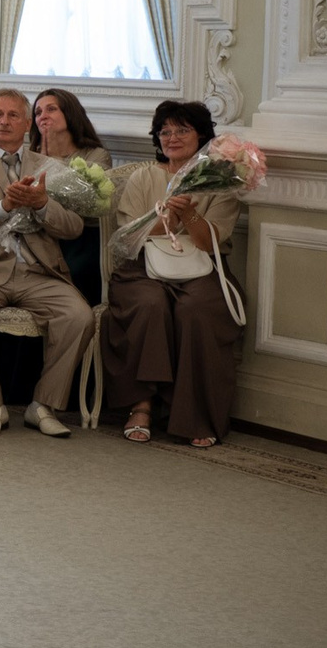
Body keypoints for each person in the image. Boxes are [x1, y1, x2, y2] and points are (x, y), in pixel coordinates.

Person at [0, 89, 92, 437]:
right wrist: (3, 208)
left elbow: (73, 227)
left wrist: (42, 205)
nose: (4, 121)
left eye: (13, 115)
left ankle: (43, 405)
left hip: (38, 271)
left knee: (80, 316)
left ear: (27, 125)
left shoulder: (50, 168)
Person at [103, 100, 242, 449]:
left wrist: (190, 217)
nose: (172, 137)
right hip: (143, 267)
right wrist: (168, 220)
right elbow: (130, 237)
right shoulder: (144, 177)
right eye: (165, 131)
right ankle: (141, 406)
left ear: (202, 136)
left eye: (182, 130)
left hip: (203, 267)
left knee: (196, 310)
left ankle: (196, 415)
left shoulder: (219, 181)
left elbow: (210, 243)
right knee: (150, 304)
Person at [33, 86, 112, 304]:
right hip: (42, 234)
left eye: (51, 109)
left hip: (83, 235)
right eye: (38, 112)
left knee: (74, 270)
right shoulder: (31, 155)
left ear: (69, 114)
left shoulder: (96, 155)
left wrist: (52, 159)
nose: (43, 116)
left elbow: (83, 200)